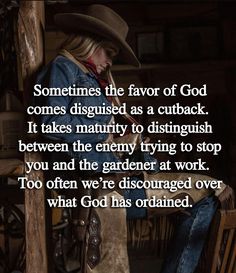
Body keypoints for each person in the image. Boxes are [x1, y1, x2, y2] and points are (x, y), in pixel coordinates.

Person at [34, 4, 229, 273]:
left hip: (118, 176)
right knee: (206, 195)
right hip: (96, 186)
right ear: (89, 43)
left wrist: (133, 146)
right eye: (109, 52)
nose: (111, 62)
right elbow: (51, 123)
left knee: (210, 193)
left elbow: (103, 138)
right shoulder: (63, 68)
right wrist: (108, 136)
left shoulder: (96, 81)